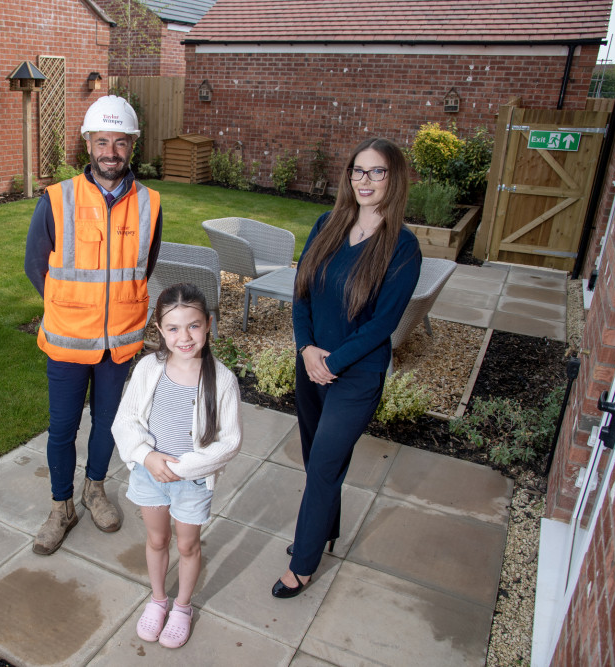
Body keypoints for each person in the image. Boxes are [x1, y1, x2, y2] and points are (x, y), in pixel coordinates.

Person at [273, 137, 421, 598]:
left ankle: (304, 562)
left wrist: (332, 361)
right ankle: (327, 530)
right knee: (319, 458)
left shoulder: (403, 247)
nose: (366, 180)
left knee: (322, 465)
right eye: (359, 171)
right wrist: (307, 350)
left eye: (377, 172)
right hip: (312, 365)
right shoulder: (328, 224)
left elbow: (383, 325)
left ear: (393, 179)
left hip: (355, 376)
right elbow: (301, 293)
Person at [24, 95, 163, 555]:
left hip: (118, 344)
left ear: (132, 146)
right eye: (101, 141)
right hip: (67, 341)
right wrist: (72, 307)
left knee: (108, 425)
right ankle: (61, 505)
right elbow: (35, 266)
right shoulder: (58, 199)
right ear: (87, 144)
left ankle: (95, 489)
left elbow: (145, 266)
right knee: (62, 428)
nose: (110, 152)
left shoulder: (150, 204)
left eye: (120, 143)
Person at [113, 282, 243, 649]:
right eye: (173, 328)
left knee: (187, 546)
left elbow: (229, 442)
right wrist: (147, 457)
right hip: (149, 474)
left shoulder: (223, 381)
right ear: (159, 329)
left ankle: (182, 607)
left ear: (209, 324)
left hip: (192, 482)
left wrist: (182, 469)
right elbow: (125, 422)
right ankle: (157, 600)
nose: (184, 336)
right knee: (157, 539)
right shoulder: (147, 369)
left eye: (193, 326)